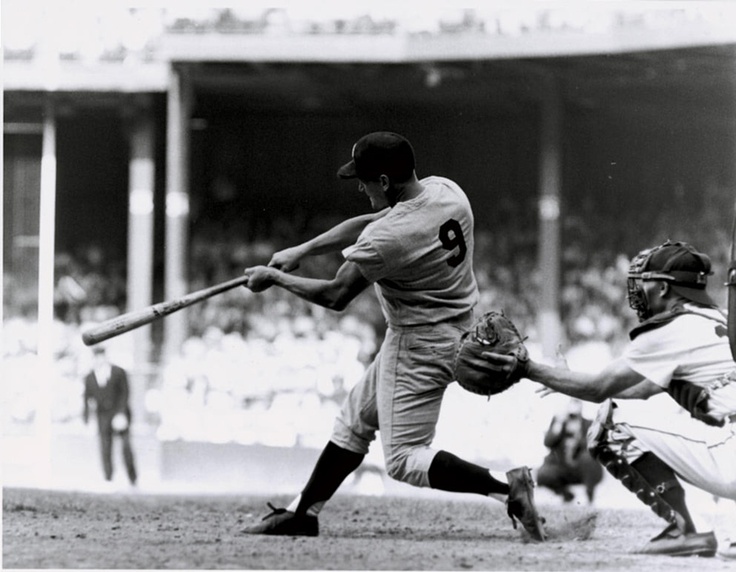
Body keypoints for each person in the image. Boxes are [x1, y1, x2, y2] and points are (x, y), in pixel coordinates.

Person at [241, 131, 546, 540]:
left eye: (364, 180)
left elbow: (335, 294)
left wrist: (275, 278)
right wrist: (301, 251)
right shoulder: (446, 191)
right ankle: (304, 512)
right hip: (458, 327)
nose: (361, 188)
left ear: (384, 181)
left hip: (416, 341)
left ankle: (507, 487)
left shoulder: (391, 237)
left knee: (403, 458)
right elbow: (371, 223)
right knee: (355, 420)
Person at [483, 240, 736, 558]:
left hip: (732, 458)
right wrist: (565, 382)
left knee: (609, 422)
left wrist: (528, 368)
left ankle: (687, 529)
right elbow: (642, 389)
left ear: (662, 287)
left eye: (644, 282)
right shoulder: (723, 319)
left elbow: (599, 388)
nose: (639, 290)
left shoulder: (672, 328)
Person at [83, 345, 137, 487]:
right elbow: (87, 400)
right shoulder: (89, 377)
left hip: (119, 413)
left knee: (126, 447)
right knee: (105, 447)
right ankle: (108, 478)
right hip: (102, 416)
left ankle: (133, 479)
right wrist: (87, 420)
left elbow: (125, 393)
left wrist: (121, 414)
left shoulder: (118, 372)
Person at [536, 398, 603, 504]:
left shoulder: (588, 424)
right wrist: (558, 426)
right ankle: (566, 495)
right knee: (543, 474)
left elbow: (594, 445)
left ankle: (590, 498)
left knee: (588, 458)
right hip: (562, 467)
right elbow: (548, 443)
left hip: (580, 468)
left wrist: (578, 438)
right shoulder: (558, 422)